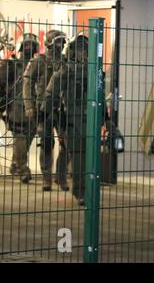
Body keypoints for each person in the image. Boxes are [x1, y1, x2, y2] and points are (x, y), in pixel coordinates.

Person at [41, 33, 88, 205]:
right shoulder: (66, 70)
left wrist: (106, 121)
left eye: (86, 50)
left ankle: (87, 189)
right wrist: (41, 116)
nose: (83, 53)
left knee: (88, 159)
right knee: (77, 158)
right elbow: (50, 93)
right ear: (73, 52)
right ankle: (80, 192)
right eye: (80, 50)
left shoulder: (94, 71)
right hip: (70, 120)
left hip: (89, 121)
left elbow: (99, 97)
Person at [23, 29, 70, 191]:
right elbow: (27, 83)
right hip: (44, 109)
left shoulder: (66, 61)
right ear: (49, 43)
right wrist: (29, 105)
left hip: (62, 109)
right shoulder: (39, 61)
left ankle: (61, 176)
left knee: (66, 144)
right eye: (57, 42)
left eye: (62, 42)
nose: (60, 45)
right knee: (47, 143)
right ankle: (46, 178)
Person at [0, 33, 39, 183]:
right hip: (16, 107)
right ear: (20, 47)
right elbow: (1, 86)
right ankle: (23, 169)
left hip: (35, 106)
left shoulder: (39, 64)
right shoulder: (12, 64)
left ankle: (15, 162)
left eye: (31, 45)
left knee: (27, 139)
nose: (28, 47)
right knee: (20, 136)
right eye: (26, 45)